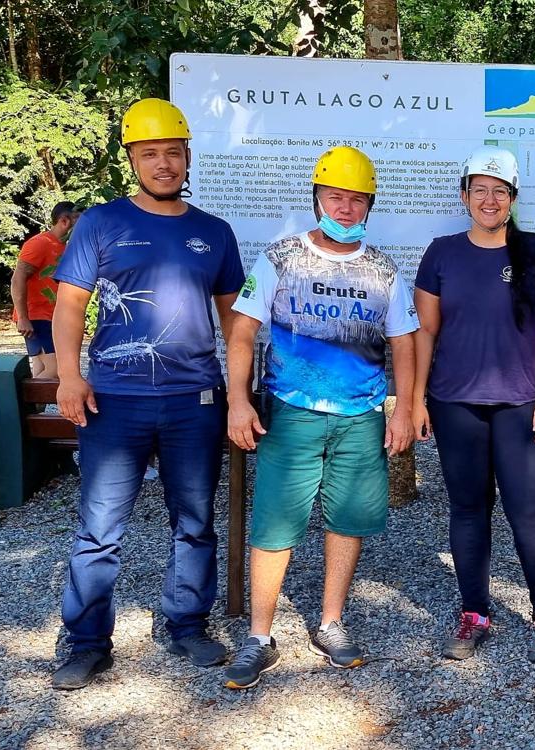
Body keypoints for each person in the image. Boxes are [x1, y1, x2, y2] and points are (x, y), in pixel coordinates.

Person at [51, 98, 245, 690]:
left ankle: (186, 624)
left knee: (194, 521)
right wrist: (68, 375)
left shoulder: (213, 232)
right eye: (150, 153)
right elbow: (69, 305)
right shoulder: (100, 223)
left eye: (173, 152)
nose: (164, 163)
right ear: (132, 159)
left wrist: (239, 392)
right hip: (114, 400)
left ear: (188, 157)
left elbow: (236, 319)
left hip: (195, 400)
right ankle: (86, 642)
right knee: (100, 528)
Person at [223, 146, 417, 689]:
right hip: (292, 413)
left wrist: (402, 408)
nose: (347, 208)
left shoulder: (382, 269)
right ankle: (260, 637)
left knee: (348, 520)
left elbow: (403, 341)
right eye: (337, 197)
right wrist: (238, 400)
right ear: (316, 198)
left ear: (369, 206)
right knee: (274, 523)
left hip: (360, 416)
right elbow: (241, 331)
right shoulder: (281, 258)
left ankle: (331, 622)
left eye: (358, 200)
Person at [413, 146, 535, 663]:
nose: (488, 199)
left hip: (521, 404)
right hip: (455, 403)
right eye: (479, 189)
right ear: (464, 195)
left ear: (513, 199)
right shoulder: (441, 253)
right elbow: (425, 333)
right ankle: (474, 612)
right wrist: (415, 400)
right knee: (467, 509)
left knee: (529, 513)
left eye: (499, 191)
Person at [10, 201, 81, 378]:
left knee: (41, 370)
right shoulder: (39, 243)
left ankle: (32, 407)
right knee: (55, 369)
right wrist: (23, 318)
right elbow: (17, 279)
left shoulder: (66, 247)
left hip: (52, 316)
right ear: (64, 221)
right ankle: (18, 406)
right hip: (35, 316)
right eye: (78, 220)